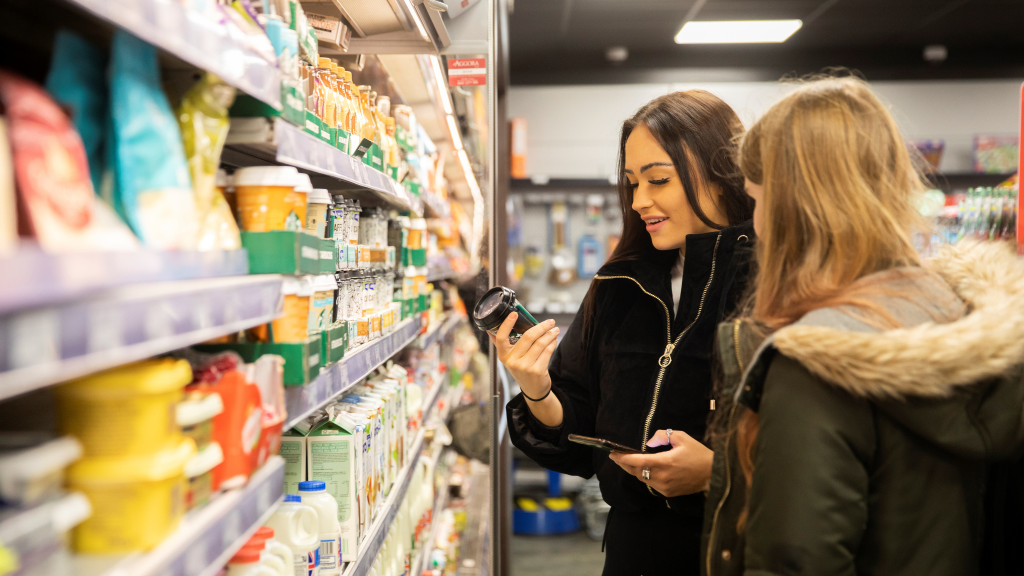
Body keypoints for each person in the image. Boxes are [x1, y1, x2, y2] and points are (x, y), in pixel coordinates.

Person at [703, 76, 1024, 576]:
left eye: (759, 199)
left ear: (796, 211)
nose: (757, 224)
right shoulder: (968, 321)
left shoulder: (815, 363)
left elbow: (796, 560)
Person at [495, 90, 755, 576]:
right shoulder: (619, 283)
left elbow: (816, 451)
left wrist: (717, 473)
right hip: (634, 551)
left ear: (723, 172)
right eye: (632, 183)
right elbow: (579, 432)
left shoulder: (774, 280)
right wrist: (536, 388)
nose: (640, 201)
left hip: (737, 548)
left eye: (659, 180)